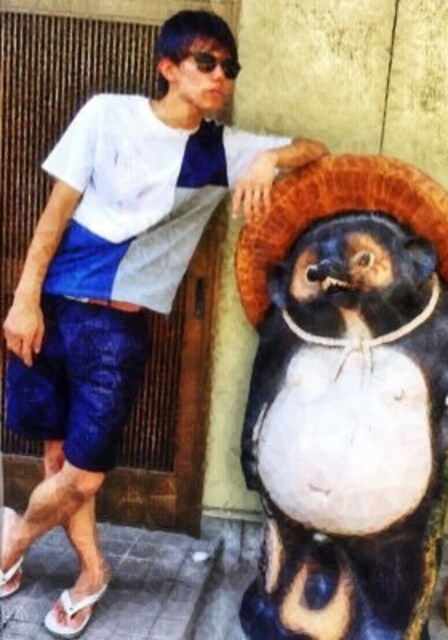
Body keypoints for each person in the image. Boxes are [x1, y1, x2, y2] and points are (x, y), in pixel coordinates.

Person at [0, 9, 328, 638]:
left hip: (116, 331)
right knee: (56, 457)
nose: (220, 76)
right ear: (168, 68)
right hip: (55, 305)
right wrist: (24, 299)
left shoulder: (219, 151)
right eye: (206, 62)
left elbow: (317, 151)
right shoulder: (106, 115)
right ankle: (91, 573)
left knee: (83, 473)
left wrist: (270, 159)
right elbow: (55, 212)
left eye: (229, 67)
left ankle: (10, 544)